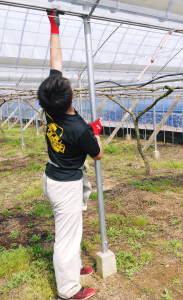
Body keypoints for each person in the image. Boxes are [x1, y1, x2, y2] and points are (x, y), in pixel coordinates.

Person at [38, 9, 103, 299]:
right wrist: (96, 133)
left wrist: (55, 27)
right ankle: (68, 290)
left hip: (55, 174)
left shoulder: (50, 103)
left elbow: (55, 61)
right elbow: (98, 155)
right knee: (66, 236)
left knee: (71, 229)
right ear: (70, 97)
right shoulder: (78, 128)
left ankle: (73, 267)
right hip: (65, 185)